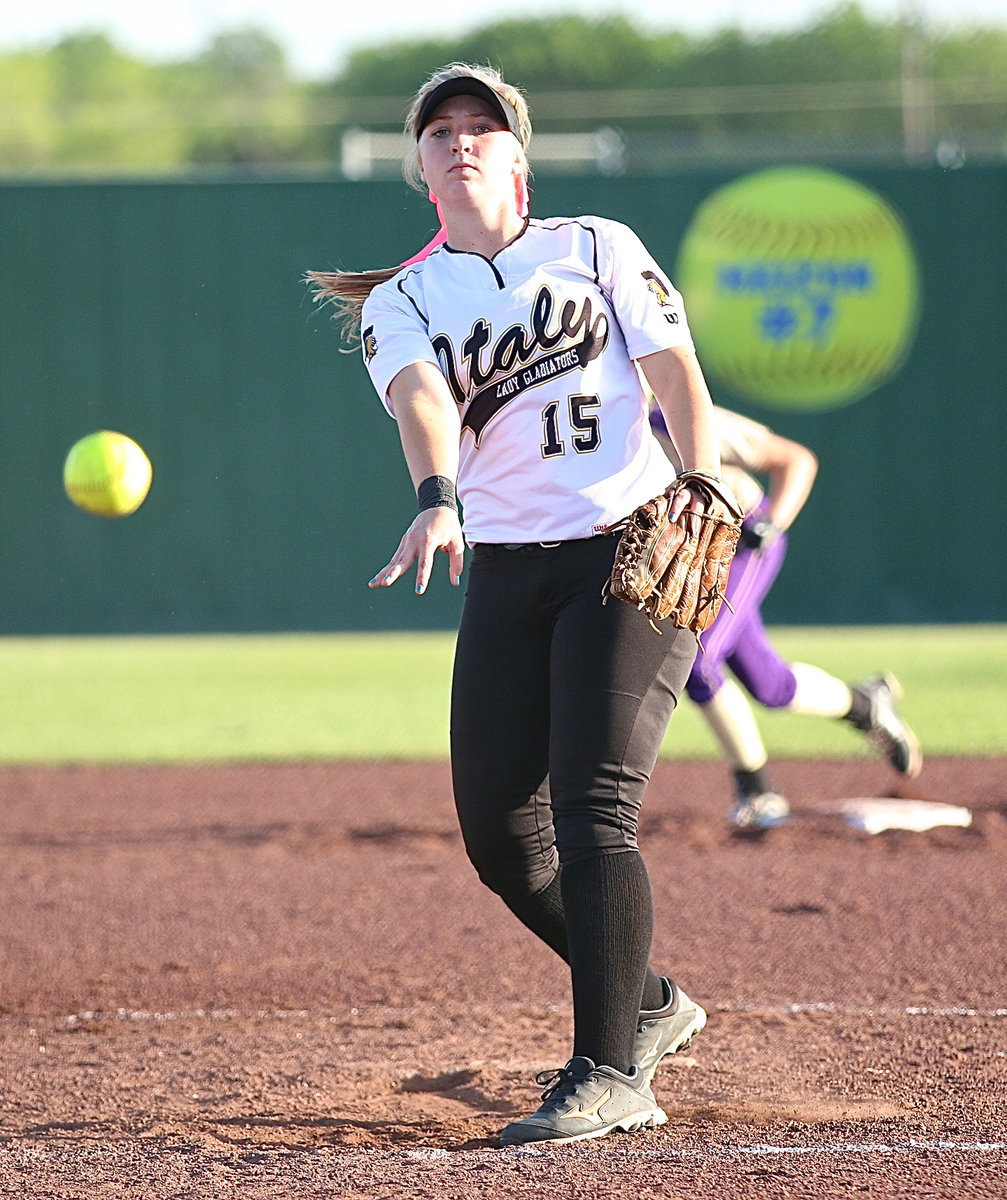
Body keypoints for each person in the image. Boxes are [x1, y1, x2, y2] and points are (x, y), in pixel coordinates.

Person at [309, 62, 725, 1147]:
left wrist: (705, 477)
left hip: (624, 552)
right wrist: (436, 499)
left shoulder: (595, 245)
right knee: (502, 840)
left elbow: (675, 373)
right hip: (504, 564)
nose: (459, 141)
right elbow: (419, 400)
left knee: (594, 807)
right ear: (416, 165)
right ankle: (646, 1004)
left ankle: (608, 1070)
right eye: (438, 128)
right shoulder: (404, 301)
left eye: (481, 126)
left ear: (517, 155)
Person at [650, 403, 922, 831]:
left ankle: (758, 791)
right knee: (769, 685)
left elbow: (796, 459)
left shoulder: (670, 412)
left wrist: (772, 524)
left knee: (697, 660)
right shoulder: (594, 429)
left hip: (740, 541)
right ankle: (866, 704)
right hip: (691, 557)